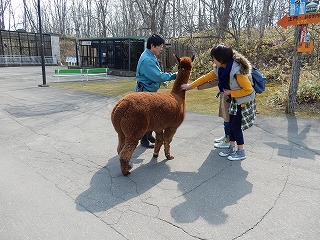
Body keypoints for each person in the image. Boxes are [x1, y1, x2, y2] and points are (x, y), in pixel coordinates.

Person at [181, 44, 256, 161]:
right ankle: (231, 147)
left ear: (221, 60)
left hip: (241, 102)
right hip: (233, 101)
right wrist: (191, 85)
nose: (213, 61)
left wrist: (230, 92)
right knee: (230, 124)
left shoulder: (237, 71)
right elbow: (206, 77)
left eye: (214, 59)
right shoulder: (221, 68)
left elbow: (248, 90)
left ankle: (241, 151)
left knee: (236, 127)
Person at [134, 34, 177, 148]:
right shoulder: (147, 59)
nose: (161, 49)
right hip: (145, 92)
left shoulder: (150, 56)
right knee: (145, 117)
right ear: (152, 46)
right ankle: (143, 140)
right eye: (160, 46)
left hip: (149, 91)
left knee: (151, 115)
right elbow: (157, 75)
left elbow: (156, 74)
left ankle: (148, 136)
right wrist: (173, 76)